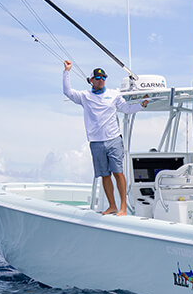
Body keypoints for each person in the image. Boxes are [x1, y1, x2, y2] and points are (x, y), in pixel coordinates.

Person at [63, 60, 148, 216]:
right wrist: (67, 71)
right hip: (96, 142)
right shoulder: (84, 96)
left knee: (118, 173)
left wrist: (142, 105)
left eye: (103, 78)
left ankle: (123, 207)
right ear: (91, 80)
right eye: (98, 78)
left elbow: (127, 109)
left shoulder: (114, 94)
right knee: (104, 175)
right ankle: (112, 206)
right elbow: (67, 92)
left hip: (114, 139)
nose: (101, 80)